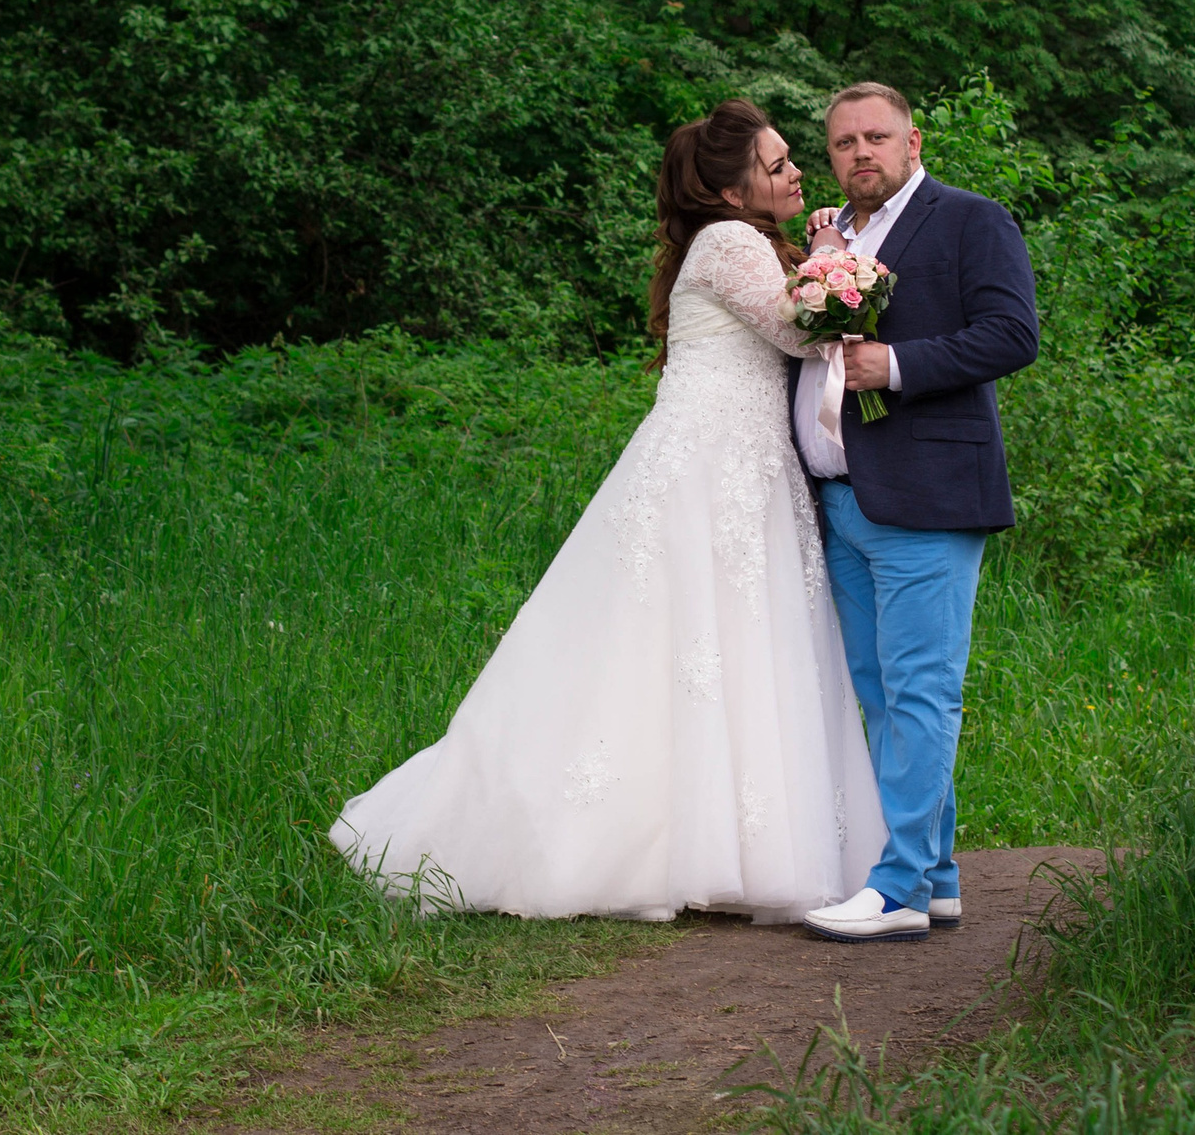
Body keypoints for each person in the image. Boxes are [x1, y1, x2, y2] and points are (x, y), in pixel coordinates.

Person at [330, 99, 881, 922]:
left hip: (740, 465)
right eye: (776, 164)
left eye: (790, 156)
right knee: (693, 642)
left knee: (707, 647)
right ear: (732, 194)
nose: (797, 169)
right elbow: (805, 332)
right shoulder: (731, 242)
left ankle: (724, 840)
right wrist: (840, 256)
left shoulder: (743, 239)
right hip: (710, 467)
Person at [792, 83, 1039, 943]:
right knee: (882, 694)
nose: (860, 152)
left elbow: (1012, 334)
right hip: (843, 498)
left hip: (930, 495)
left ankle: (895, 889)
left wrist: (893, 366)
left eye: (876, 137)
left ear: (912, 139)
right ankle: (934, 876)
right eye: (842, 142)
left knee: (923, 692)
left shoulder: (971, 219)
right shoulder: (837, 237)